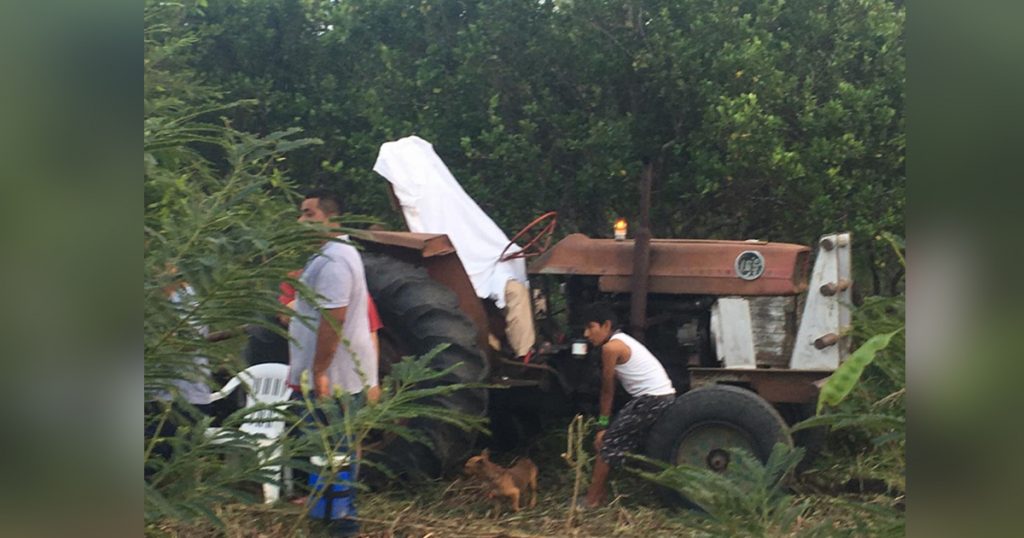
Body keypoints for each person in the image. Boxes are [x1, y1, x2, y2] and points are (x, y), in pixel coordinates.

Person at [579, 303, 676, 508]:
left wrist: (602, 425)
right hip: (662, 396)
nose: (586, 333)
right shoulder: (622, 340)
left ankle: (592, 500)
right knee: (612, 441)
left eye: (590, 327)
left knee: (607, 443)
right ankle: (601, 493)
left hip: (651, 399)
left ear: (606, 325)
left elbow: (608, 390)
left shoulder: (611, 347)